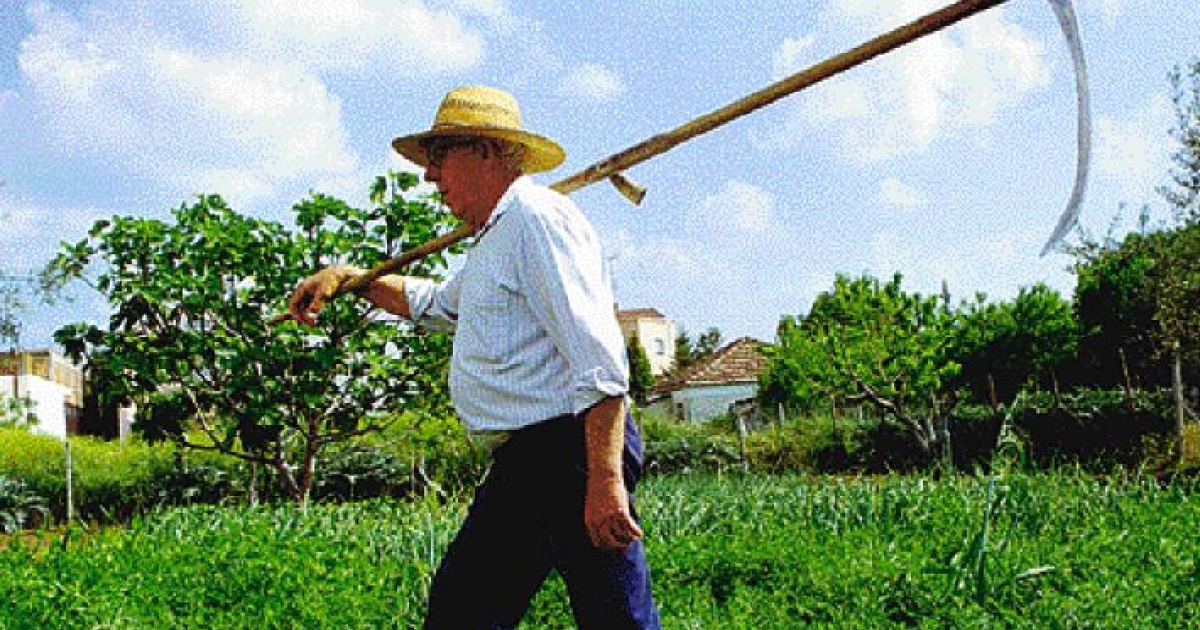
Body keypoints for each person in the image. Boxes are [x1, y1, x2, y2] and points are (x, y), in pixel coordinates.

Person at [287, 85, 661, 630]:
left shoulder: (537, 219)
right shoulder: (498, 236)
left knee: (612, 619)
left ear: (484, 152)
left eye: (440, 155)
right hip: (531, 458)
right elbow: (438, 305)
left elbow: (599, 358)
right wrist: (349, 278)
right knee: (464, 611)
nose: (429, 175)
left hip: (571, 448)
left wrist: (604, 482)